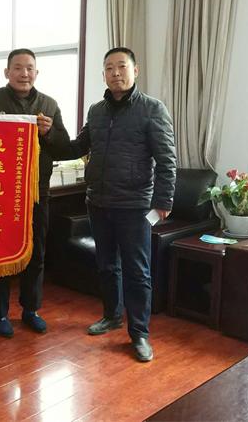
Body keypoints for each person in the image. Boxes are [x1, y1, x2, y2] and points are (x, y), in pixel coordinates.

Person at [59, 47, 176, 361]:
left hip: (136, 206)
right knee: (107, 265)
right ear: (104, 74)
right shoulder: (96, 111)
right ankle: (112, 315)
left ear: (135, 71)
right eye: (109, 68)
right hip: (98, 201)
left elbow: (167, 161)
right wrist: (47, 135)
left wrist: (163, 201)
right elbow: (78, 146)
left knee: (138, 271)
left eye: (121, 66)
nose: (115, 73)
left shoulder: (152, 109)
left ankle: (139, 333)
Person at [0, 48, 70, 338]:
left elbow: (64, 148)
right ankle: (0, 313)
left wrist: (48, 133)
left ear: (36, 73)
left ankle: (31, 310)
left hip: (37, 192)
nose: (24, 73)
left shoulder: (49, 104)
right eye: (17, 67)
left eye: (29, 68)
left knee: (36, 252)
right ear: (7, 72)